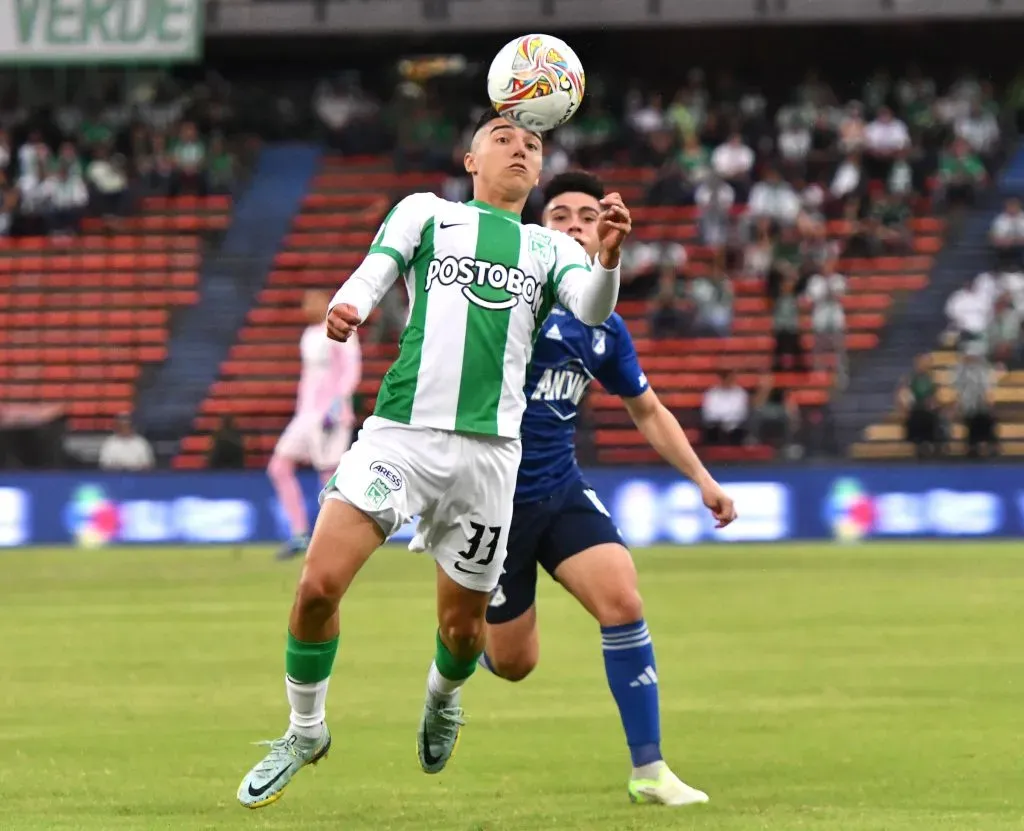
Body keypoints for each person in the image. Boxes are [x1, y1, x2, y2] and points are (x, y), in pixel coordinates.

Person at [237, 110, 626, 808]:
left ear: (536, 173)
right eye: (502, 138)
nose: (518, 147)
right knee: (318, 583)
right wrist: (346, 307)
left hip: (488, 460)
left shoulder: (549, 249)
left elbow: (593, 309)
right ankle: (305, 728)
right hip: (400, 437)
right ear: (471, 160)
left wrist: (610, 258)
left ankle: (442, 696)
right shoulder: (427, 213)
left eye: (531, 144)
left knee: (462, 630)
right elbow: (374, 269)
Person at [479, 171, 736, 807]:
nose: (572, 223)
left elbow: (647, 410)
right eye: (559, 213)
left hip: (559, 489)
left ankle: (649, 770)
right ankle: (460, 649)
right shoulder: (504, 304)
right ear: (537, 230)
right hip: (490, 503)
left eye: (585, 216)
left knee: (622, 599)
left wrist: (702, 479)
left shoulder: (604, 326)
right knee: (513, 663)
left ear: (602, 231)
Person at [269, 290, 362, 560]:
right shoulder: (309, 335)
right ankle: (299, 533)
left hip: (330, 415)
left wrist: (336, 405)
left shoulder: (341, 332)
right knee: (279, 466)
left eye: (312, 302)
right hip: (306, 415)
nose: (306, 306)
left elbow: (350, 370)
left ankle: (332, 538)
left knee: (328, 476)